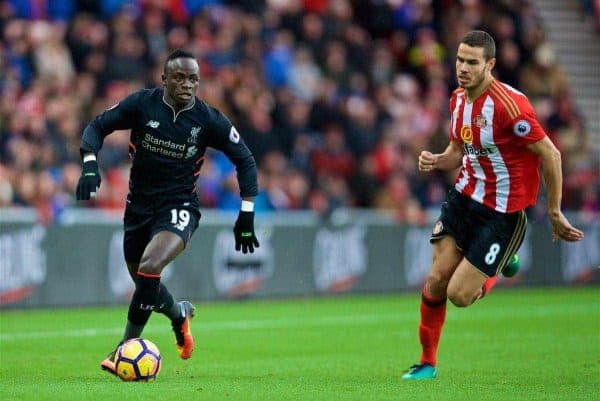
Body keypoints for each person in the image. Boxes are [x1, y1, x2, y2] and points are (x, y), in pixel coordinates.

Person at [402, 31, 584, 380]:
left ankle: (501, 262)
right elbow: (459, 149)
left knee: (459, 295)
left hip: (504, 212)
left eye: (472, 62)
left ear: (490, 65)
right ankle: (427, 363)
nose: (464, 68)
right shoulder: (457, 100)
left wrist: (554, 210)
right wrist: (437, 160)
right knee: (436, 279)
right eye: (460, 59)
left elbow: (550, 153)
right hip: (464, 198)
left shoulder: (509, 106)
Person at [75, 49, 260, 376]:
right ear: (164, 79)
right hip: (138, 209)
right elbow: (97, 126)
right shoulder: (142, 105)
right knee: (146, 284)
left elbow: (244, 159)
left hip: (179, 208)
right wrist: (90, 165)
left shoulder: (208, 119)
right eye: (179, 77)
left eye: (193, 79)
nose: (187, 85)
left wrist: (246, 212)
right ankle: (179, 314)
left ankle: (122, 350)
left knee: (150, 265)